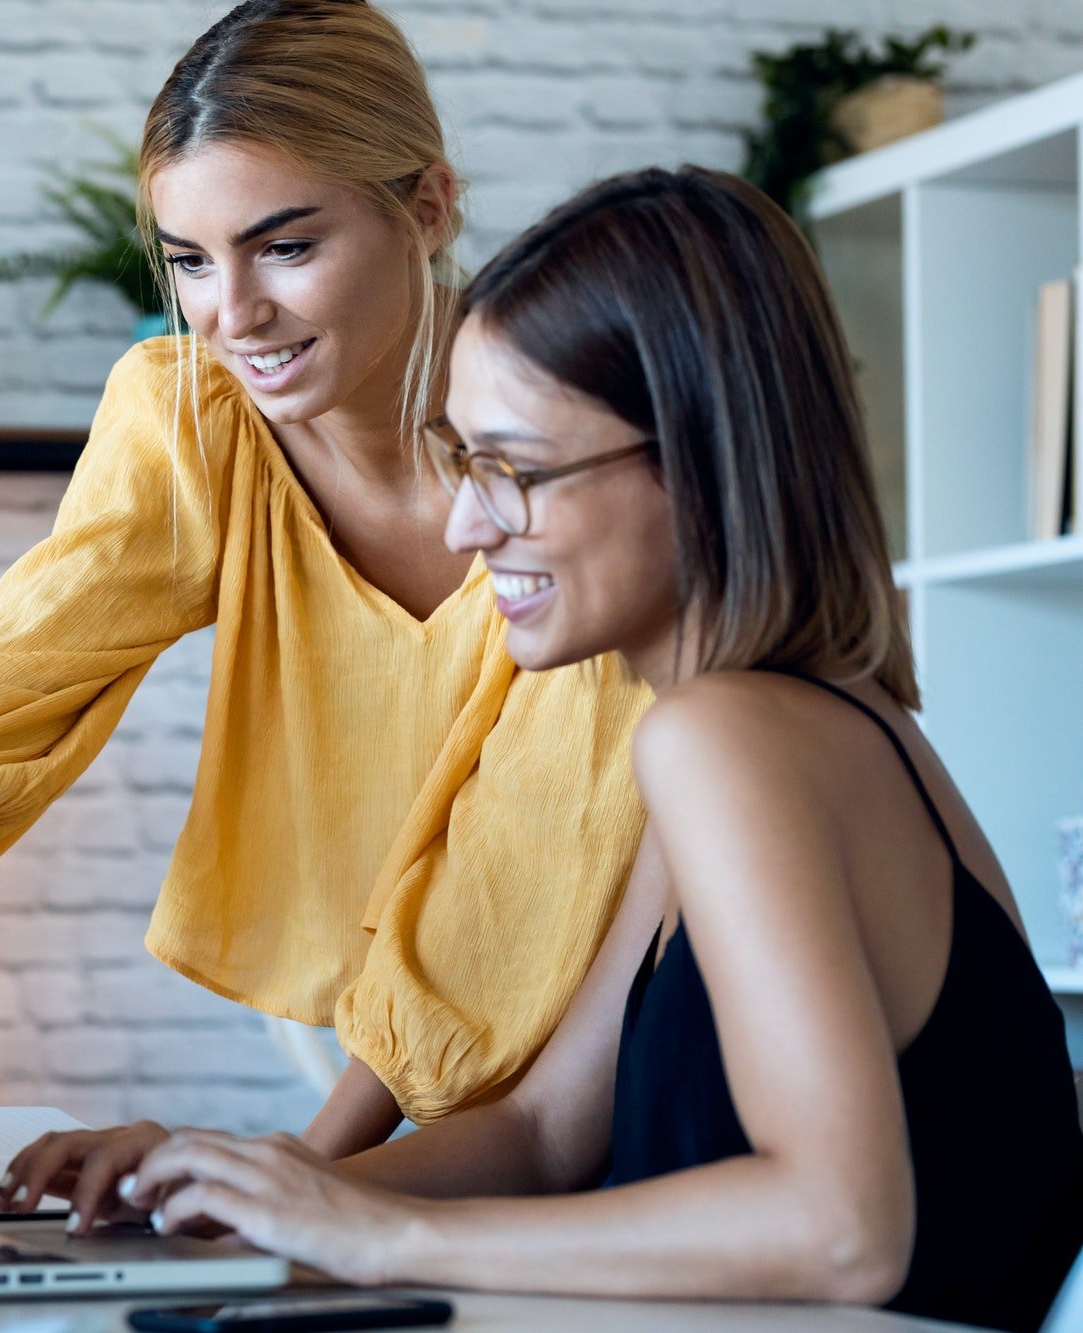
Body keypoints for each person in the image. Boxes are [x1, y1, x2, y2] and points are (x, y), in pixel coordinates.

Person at [104, 165, 1083, 1333]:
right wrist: (250, 1201)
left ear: (698, 458)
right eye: (463, 462)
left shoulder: (726, 738)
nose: (469, 529)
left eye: (513, 469)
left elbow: (838, 1228)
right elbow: (544, 1130)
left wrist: (379, 1235)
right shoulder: (785, 724)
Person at [0, 0, 650, 1163]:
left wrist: (302, 1174)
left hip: (648, 1050)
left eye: (285, 246)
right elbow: (29, 671)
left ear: (426, 207)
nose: (233, 314)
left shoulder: (577, 446)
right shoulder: (194, 420)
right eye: (188, 261)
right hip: (460, 1134)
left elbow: (534, 842)